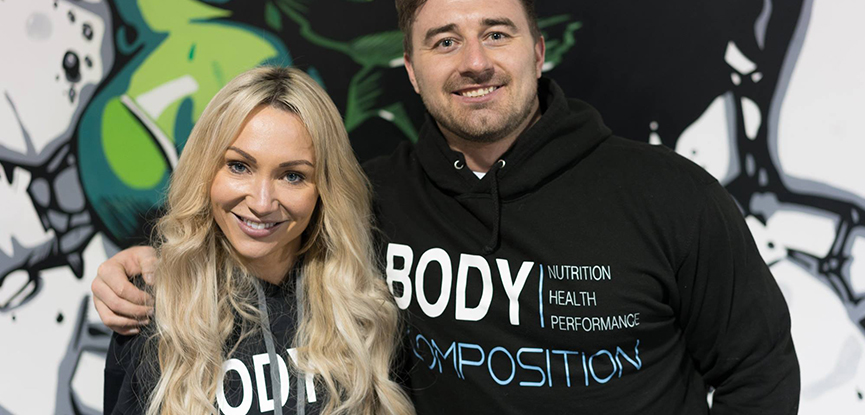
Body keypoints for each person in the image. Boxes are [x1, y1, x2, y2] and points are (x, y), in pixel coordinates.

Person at [94, 0, 801, 413]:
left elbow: (759, 373)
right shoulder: (367, 199)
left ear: (538, 50)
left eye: (496, 32)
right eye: (444, 41)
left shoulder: (671, 195)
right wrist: (153, 264)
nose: (474, 61)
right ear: (410, 69)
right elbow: (264, 228)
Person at [101, 66, 414, 415]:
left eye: (292, 175)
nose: (262, 203)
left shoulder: (362, 309)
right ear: (205, 169)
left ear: (324, 188)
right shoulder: (151, 308)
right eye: (239, 166)